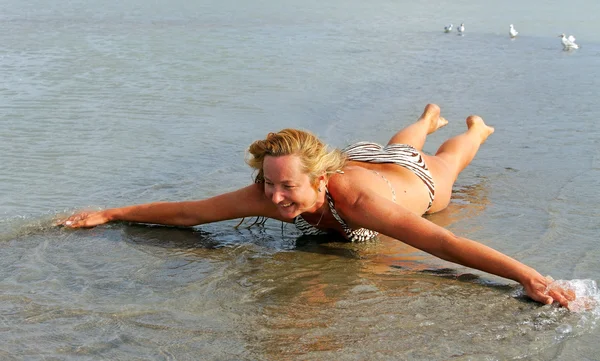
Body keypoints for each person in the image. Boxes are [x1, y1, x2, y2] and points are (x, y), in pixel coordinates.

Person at [58, 104, 574, 308]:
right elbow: (189, 213)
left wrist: (527, 276)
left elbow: (445, 242)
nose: (275, 198)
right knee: (398, 141)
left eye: (286, 189)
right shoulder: (273, 190)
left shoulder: (359, 202)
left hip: (409, 182)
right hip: (367, 156)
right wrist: (113, 212)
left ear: (321, 179)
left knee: (445, 162)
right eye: (267, 185)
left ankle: (469, 129)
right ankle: (425, 116)